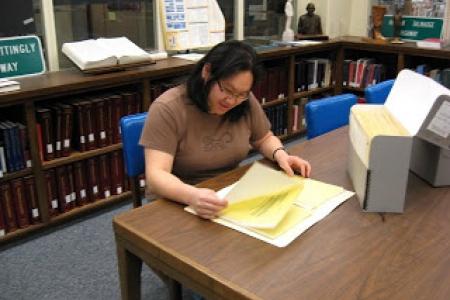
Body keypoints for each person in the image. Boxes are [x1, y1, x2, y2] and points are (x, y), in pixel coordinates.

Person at [139, 40, 311, 219]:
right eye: (227, 90)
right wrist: (192, 196)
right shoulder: (168, 108)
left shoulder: (244, 101)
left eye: (241, 94)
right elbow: (156, 175)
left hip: (226, 193)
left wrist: (281, 155)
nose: (231, 101)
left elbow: (264, 138)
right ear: (207, 72)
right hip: (178, 201)